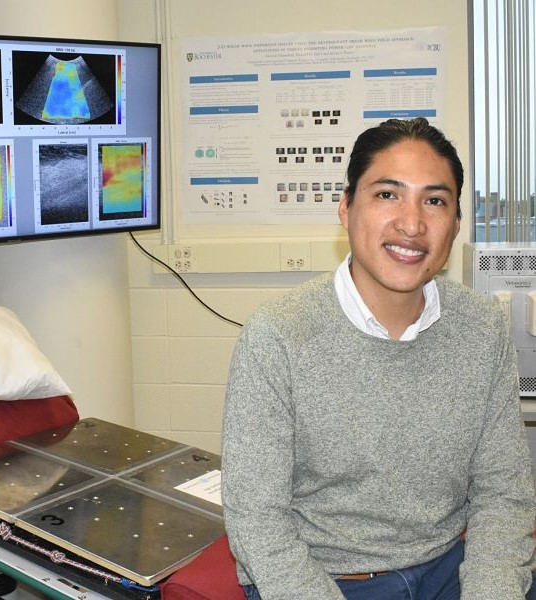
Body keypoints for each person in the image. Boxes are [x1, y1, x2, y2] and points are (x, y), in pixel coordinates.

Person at [221, 117, 536, 600]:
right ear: (346, 207)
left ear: (454, 224)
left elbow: (504, 493)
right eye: (387, 194)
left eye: (434, 201)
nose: (412, 224)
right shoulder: (279, 334)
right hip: (326, 581)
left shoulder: (480, 327)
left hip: (450, 569)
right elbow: (256, 517)